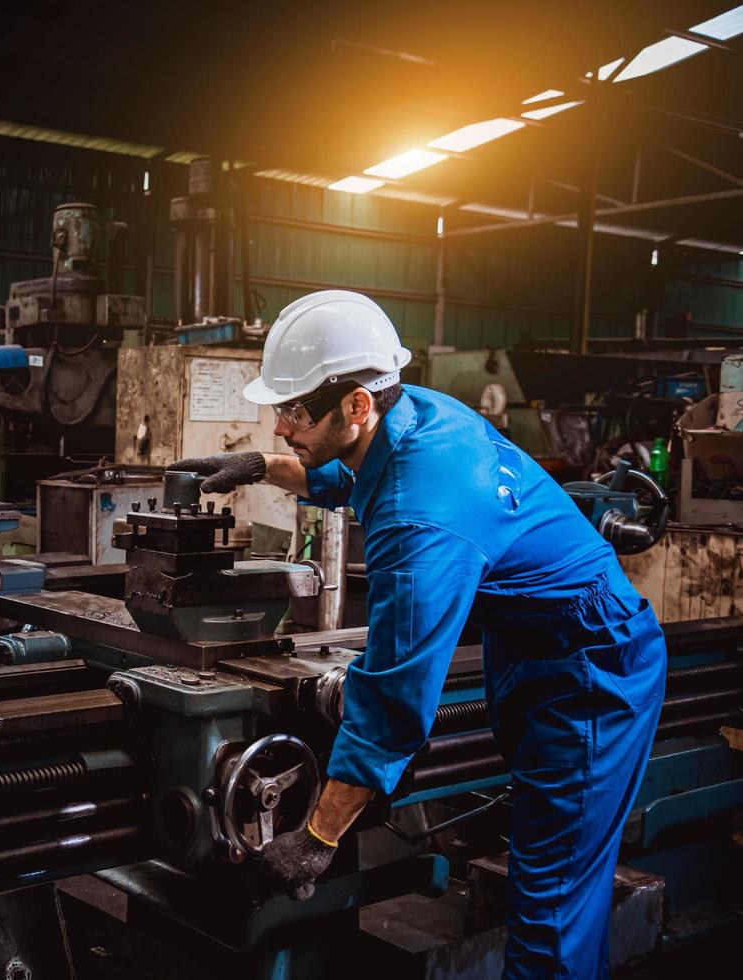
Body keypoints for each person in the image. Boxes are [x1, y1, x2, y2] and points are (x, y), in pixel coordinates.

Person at [172, 290, 666, 979]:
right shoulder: (417, 413)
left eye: (294, 412)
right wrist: (262, 467)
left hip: (590, 673)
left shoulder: (418, 518)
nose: (282, 426)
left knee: (550, 910)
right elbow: (350, 474)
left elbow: (395, 699)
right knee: (555, 874)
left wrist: (318, 837)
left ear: (355, 405)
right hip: (540, 650)